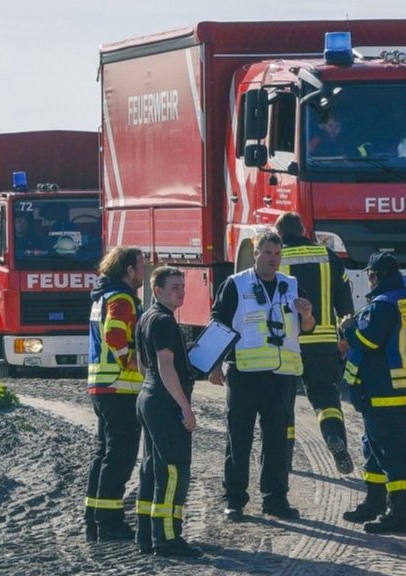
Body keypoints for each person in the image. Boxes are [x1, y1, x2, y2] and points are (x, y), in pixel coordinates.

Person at [208, 230, 315, 521]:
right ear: (255, 253)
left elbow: (308, 327)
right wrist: (215, 364)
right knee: (238, 438)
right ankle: (234, 499)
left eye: (277, 254)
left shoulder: (291, 286)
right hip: (244, 374)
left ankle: (275, 499)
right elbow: (218, 322)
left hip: (280, 377)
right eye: (268, 253)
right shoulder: (236, 284)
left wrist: (306, 315)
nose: (273, 260)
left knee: (277, 440)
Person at [339, 252, 406, 534]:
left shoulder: (383, 306)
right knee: (374, 447)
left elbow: (366, 340)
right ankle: (375, 503)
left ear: (375, 276)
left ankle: (399, 515)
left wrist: (348, 327)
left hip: (385, 393)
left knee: (393, 454)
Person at [275, 212, 356, 476]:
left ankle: (284, 460)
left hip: (286, 344)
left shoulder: (275, 258)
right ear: (303, 230)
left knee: (283, 403)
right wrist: (344, 337)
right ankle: (335, 437)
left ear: (279, 234)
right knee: (325, 397)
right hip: (322, 342)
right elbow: (345, 301)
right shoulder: (327, 256)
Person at [134, 266, 203, 558]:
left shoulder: (146, 318)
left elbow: (142, 364)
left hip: (149, 396)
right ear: (157, 291)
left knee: (152, 469)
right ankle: (168, 538)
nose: (181, 291)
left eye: (183, 286)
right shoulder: (163, 320)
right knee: (174, 470)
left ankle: (147, 535)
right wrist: (185, 407)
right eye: (175, 287)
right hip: (164, 402)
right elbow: (164, 365)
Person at [84, 246, 146, 542]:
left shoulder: (102, 295)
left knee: (103, 454)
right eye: (141, 267)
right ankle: (109, 522)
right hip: (120, 386)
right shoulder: (121, 297)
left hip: (102, 386)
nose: (144, 272)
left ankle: (93, 519)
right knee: (119, 457)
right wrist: (128, 360)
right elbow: (114, 334)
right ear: (129, 270)